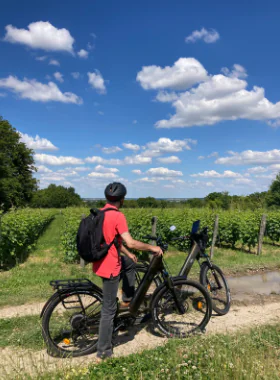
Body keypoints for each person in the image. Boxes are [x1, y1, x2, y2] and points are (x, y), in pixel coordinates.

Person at [94, 182, 163, 361]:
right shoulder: (117, 216)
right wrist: (152, 248)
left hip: (100, 262)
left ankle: (128, 299)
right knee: (108, 309)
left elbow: (114, 241)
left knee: (130, 263)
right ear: (122, 199)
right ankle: (103, 350)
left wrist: (128, 253)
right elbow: (130, 241)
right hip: (109, 266)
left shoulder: (100, 213)